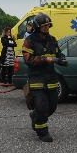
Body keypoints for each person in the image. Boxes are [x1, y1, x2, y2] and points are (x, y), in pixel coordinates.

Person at [22, 12, 66, 142]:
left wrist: (62, 59)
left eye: (48, 25)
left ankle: (35, 116)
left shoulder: (52, 40)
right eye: (44, 26)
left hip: (51, 78)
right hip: (37, 79)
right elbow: (28, 59)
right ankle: (42, 131)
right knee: (41, 106)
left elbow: (58, 53)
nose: (47, 28)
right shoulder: (29, 41)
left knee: (52, 107)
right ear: (37, 27)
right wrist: (45, 59)